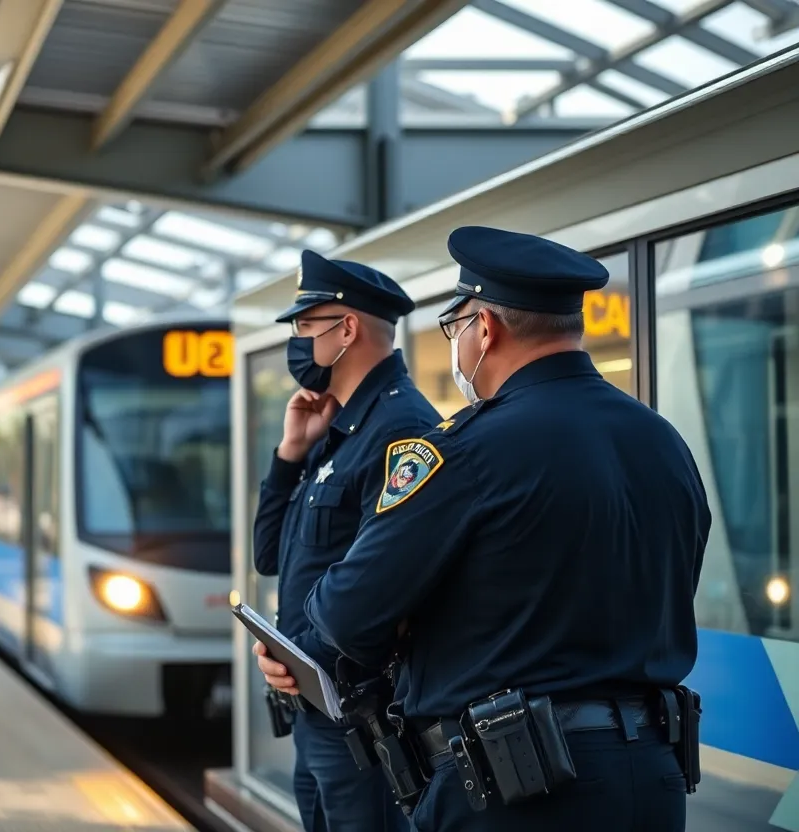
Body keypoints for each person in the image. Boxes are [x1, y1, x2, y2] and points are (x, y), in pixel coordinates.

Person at [258, 226, 711, 832]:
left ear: (485, 328)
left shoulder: (461, 451)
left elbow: (344, 613)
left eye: (455, 326)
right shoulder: (662, 441)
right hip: (652, 781)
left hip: (520, 793)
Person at [251, 249, 440, 832]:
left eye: (305, 328)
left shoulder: (401, 430)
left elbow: (383, 587)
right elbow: (268, 555)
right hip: (319, 716)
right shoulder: (338, 428)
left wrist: (295, 657)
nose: (298, 344)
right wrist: (290, 454)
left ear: (346, 328)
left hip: (365, 721)